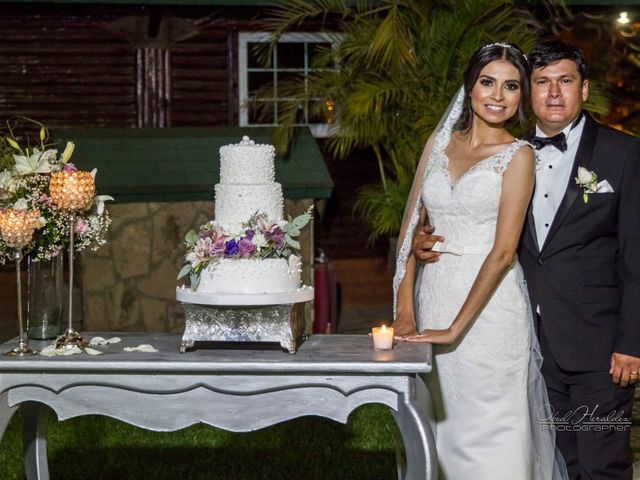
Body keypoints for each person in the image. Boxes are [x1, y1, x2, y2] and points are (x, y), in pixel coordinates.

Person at [412, 40, 640, 480]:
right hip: (523, 338)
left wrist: (631, 342)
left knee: (602, 463)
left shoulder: (623, 154)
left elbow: (636, 254)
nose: (554, 93)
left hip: (597, 344)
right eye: (542, 82)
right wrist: (429, 240)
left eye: (566, 81)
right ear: (528, 93)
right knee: (548, 458)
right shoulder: (509, 154)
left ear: (585, 89)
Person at [392, 43, 568, 479]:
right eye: (488, 82)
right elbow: (410, 227)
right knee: (434, 429)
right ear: (469, 87)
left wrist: (455, 328)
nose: (498, 95)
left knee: (488, 431)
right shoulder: (437, 143)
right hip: (432, 293)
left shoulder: (519, 156)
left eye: (511, 86)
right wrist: (404, 309)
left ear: (521, 96)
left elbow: (504, 251)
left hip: (489, 312)